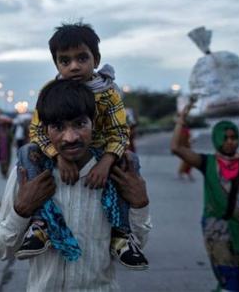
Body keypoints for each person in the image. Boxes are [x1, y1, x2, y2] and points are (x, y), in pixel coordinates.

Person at [0, 80, 152, 291]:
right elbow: (2, 249)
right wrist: (22, 210)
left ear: (94, 123)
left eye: (80, 124)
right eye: (58, 127)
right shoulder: (30, 175)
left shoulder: (117, 173)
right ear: (45, 129)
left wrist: (140, 205)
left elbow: (137, 244)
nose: (70, 137)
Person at [17, 22, 148, 268]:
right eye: (65, 61)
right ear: (56, 64)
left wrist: (106, 162)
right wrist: (58, 157)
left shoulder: (108, 93)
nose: (74, 66)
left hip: (100, 153)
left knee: (131, 160)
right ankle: (39, 224)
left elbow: (120, 132)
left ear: (96, 59)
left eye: (82, 58)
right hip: (61, 151)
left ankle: (121, 234)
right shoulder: (50, 92)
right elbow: (37, 130)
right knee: (27, 151)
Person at [171, 98, 239, 292]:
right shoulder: (207, 162)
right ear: (217, 139)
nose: (230, 142)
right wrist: (182, 117)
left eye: (233, 137)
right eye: (225, 137)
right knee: (229, 282)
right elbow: (176, 148)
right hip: (216, 232)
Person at [0, 109, 14, 177]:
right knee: (3, 161)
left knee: (7, 161)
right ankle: (4, 171)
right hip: (2, 150)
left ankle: (5, 171)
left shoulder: (8, 131)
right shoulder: (0, 131)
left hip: (8, 149)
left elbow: (12, 139)